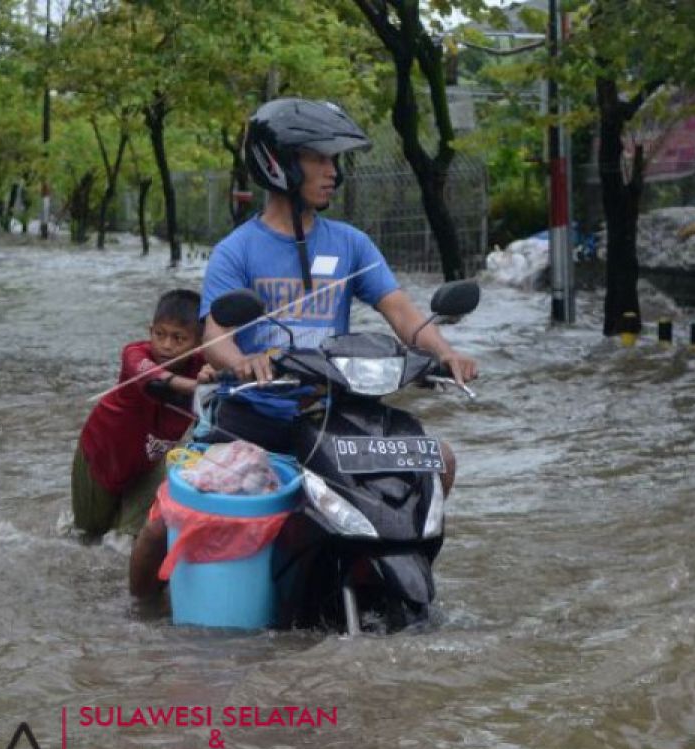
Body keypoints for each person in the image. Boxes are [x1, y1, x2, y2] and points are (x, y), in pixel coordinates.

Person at [129, 98, 478, 597]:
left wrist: (445, 353)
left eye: (334, 161)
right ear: (280, 162)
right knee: (161, 527)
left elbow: (401, 311)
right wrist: (242, 363)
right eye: (319, 158)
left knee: (437, 460)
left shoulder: (352, 244)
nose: (333, 172)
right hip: (249, 416)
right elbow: (215, 336)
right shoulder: (237, 250)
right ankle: (139, 622)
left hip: (334, 414)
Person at [72, 289, 214, 538]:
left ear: (199, 342)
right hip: (103, 456)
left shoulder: (206, 366)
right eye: (159, 335)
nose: (166, 345)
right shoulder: (135, 354)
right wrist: (199, 388)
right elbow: (154, 379)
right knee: (89, 534)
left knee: (127, 539)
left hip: (150, 462)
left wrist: (216, 379)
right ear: (150, 331)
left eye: (179, 338)